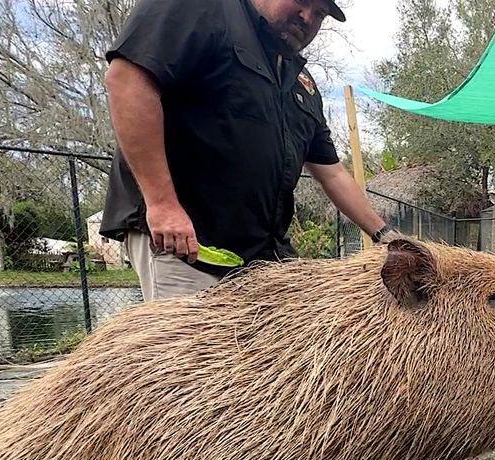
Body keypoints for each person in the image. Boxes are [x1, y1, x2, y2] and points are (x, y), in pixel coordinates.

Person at [98, 0, 399, 301]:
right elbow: (128, 80)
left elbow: (332, 173)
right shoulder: (205, 9)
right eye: (302, 1)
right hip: (188, 245)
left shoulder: (301, 83)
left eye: (319, 13)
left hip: (261, 261)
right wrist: (162, 205)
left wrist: (386, 235)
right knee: (199, 349)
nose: (307, 17)